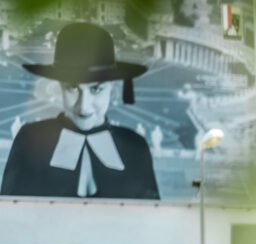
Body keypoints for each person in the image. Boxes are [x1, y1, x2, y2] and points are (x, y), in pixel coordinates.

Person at [1, 22, 159, 199]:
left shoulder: (135, 147)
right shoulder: (30, 141)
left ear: (112, 88)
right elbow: (9, 216)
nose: (84, 106)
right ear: (59, 86)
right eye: (73, 88)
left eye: (96, 89)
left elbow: (150, 220)